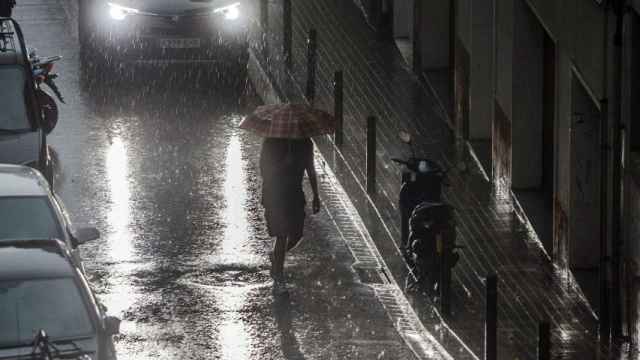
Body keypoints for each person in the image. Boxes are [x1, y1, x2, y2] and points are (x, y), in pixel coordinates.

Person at [260, 137, 320, 293]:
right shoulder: (271, 142)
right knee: (282, 234)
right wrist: (282, 165)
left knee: (297, 234)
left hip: (295, 194)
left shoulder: (305, 143)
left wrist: (316, 195)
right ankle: (279, 275)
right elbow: (263, 169)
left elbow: (310, 168)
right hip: (275, 194)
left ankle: (277, 256)